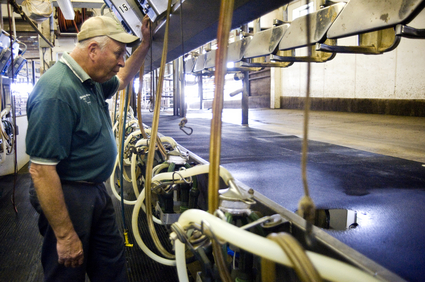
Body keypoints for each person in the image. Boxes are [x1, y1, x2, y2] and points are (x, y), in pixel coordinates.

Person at [26, 14, 151, 281]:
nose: (120, 61)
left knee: (111, 262)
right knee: (68, 268)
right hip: (69, 195)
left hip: (94, 190)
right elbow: (41, 170)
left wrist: (145, 45)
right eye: (118, 53)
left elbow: (124, 77)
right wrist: (65, 235)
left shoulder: (90, 80)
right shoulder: (57, 92)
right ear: (93, 50)